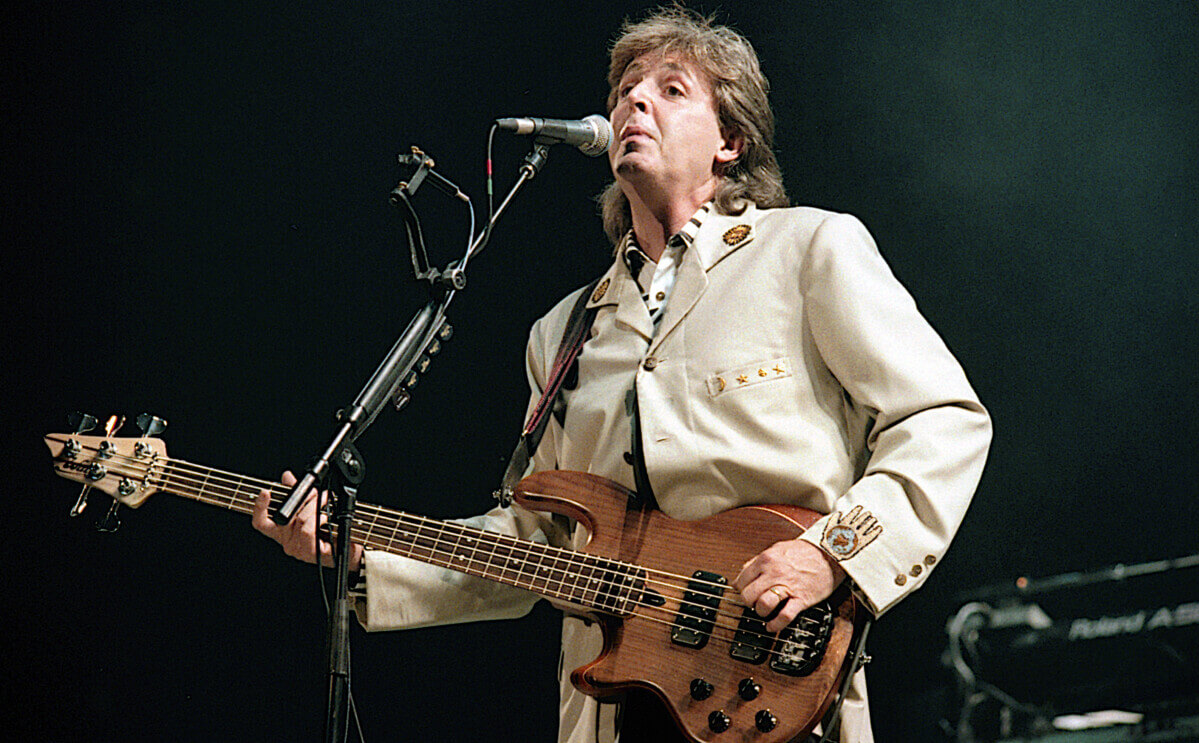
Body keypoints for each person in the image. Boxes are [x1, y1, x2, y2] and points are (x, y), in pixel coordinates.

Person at [253, 7, 991, 742]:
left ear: (730, 142)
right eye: (627, 88)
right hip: (615, 714)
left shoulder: (808, 250)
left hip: (774, 692)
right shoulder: (564, 331)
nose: (634, 100)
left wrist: (831, 553)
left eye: (672, 89)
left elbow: (942, 419)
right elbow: (535, 540)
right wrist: (358, 550)